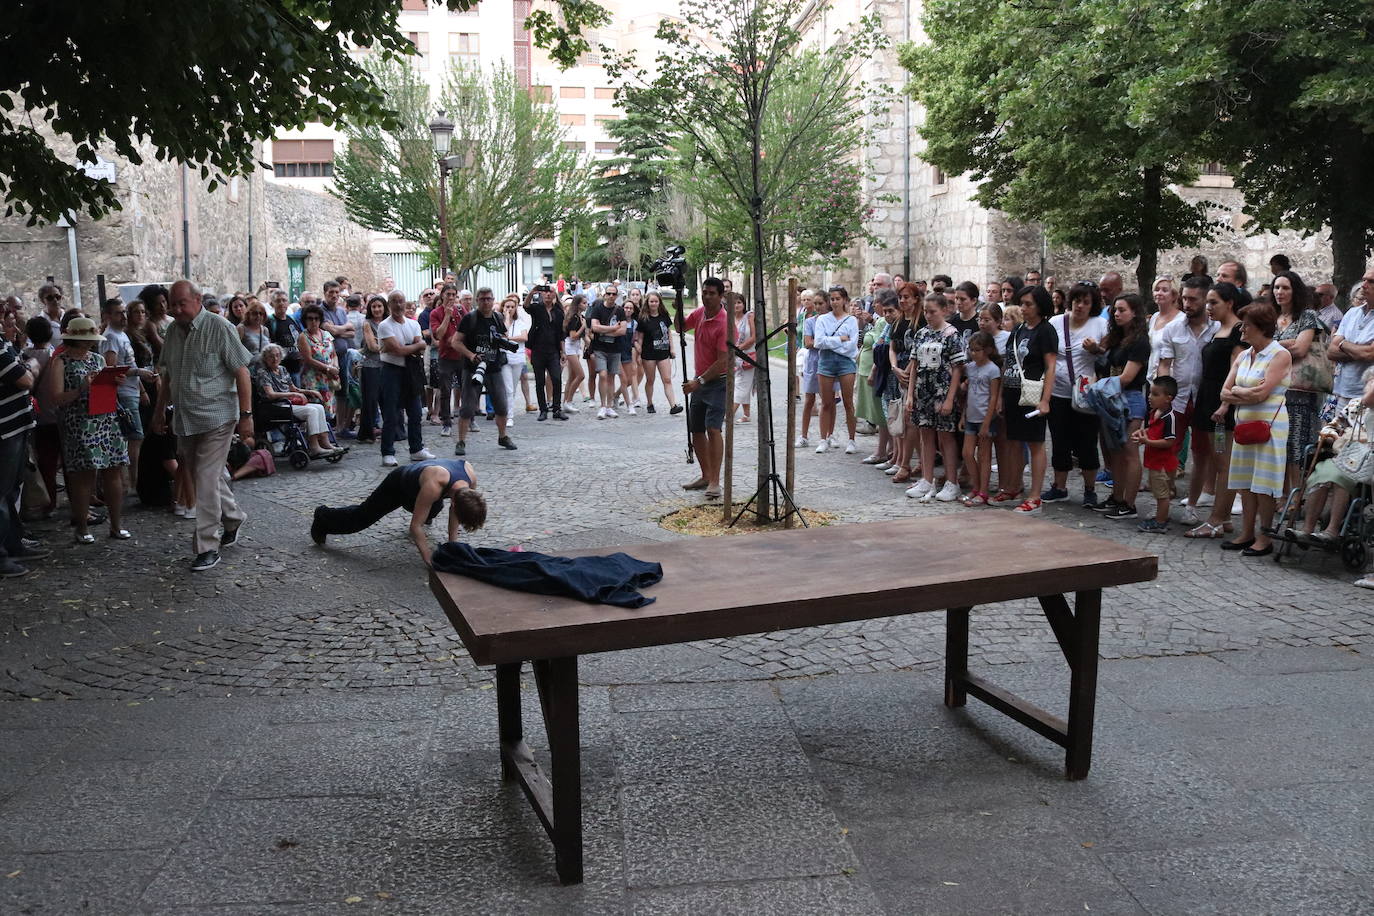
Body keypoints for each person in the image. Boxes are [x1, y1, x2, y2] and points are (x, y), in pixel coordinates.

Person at [152, 282, 253, 571]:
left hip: (218, 417)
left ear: (197, 300)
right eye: (173, 304)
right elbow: (168, 376)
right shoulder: (172, 331)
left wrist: (246, 416)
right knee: (205, 475)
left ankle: (207, 545)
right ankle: (233, 517)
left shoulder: (219, 327)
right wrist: (159, 412)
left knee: (206, 478)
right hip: (186, 418)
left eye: (181, 303)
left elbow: (242, 372)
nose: (176, 309)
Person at [311, 458, 486, 567]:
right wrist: (429, 558)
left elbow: (455, 511)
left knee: (433, 508)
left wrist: (452, 547)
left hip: (423, 487)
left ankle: (424, 509)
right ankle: (322, 516)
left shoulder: (470, 478)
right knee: (360, 518)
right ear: (454, 502)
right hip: (399, 485)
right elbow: (415, 526)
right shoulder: (434, 486)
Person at [46, 317, 131, 544]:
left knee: (113, 471)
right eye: (87, 339)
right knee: (84, 477)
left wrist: (115, 382)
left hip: (106, 419)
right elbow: (56, 398)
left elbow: (105, 389)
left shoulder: (98, 358)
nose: (91, 343)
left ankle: (116, 525)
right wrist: (81, 389)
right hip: (79, 424)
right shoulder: (60, 361)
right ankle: (82, 527)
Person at [1218, 301, 1292, 556]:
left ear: (1261, 328)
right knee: (1245, 482)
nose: (1241, 330)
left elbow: (1263, 394)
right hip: (1245, 425)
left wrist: (1240, 392)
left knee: (1264, 483)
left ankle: (1265, 536)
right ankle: (1246, 532)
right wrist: (1242, 392)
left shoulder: (1280, 354)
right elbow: (1224, 392)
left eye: (1246, 325)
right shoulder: (1243, 355)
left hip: (1270, 427)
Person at [1185, 281, 1249, 539]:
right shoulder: (1219, 330)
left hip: (1221, 409)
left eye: (1214, 303)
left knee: (1224, 463)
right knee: (1217, 460)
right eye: (1208, 302)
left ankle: (1217, 519)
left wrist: (1225, 405)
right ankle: (1222, 518)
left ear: (1230, 303)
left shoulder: (1236, 333)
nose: (1208, 307)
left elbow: (1237, 371)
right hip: (1209, 401)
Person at [1157, 275, 1219, 523]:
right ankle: (1164, 500)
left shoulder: (1217, 329)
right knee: (1168, 449)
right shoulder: (1172, 328)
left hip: (1206, 400)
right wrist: (1163, 398)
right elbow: (1164, 364)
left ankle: (1192, 505)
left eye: (1193, 299)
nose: (1187, 303)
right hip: (1178, 398)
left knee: (1202, 453)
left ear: (1206, 299)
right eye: (1184, 298)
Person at [1085, 293, 1150, 520]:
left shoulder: (1140, 341)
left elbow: (1127, 377)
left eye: (1122, 310)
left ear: (1135, 313)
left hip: (1129, 400)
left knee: (1130, 452)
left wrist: (1096, 387)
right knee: (1116, 453)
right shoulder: (1116, 337)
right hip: (1112, 399)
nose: (1117, 314)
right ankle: (1117, 497)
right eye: (1115, 310)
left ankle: (1129, 503)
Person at [1044, 282, 1108, 507]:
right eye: (1077, 301)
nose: (1080, 306)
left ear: (1093, 305)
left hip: (1085, 394)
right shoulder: (1056, 322)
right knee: (1059, 440)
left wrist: (1096, 350)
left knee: (1087, 442)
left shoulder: (1100, 324)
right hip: (1058, 392)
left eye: (1086, 302)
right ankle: (1059, 487)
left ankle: (1090, 490)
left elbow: (1109, 357)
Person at [996, 286, 1057, 514]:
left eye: (1029, 304)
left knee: (1035, 443)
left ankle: (1035, 496)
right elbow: (1009, 362)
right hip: (1013, 391)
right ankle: (1013, 486)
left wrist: (1045, 399)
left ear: (1040, 306)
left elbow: (1051, 366)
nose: (1023, 307)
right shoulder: (1019, 329)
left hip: (1032, 393)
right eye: (1022, 303)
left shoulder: (1046, 331)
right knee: (1012, 441)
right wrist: (1002, 395)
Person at [904, 292, 965, 500]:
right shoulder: (921, 334)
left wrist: (950, 398)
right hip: (923, 390)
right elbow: (914, 365)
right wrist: (910, 394)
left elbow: (958, 368)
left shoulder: (951, 334)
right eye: (926, 312)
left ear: (944, 311)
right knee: (925, 435)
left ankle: (951, 481)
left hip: (942, 390)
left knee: (945, 436)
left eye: (933, 312)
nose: (928, 316)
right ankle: (926, 480)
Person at [1272, 270, 1327, 493]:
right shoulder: (1270, 316)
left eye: (1285, 287)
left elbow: (1301, 348)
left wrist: (1273, 346)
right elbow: (1258, 346)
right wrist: (1287, 343)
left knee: (1297, 444)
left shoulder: (1307, 316)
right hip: (1275, 387)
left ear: (1295, 290)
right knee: (1280, 444)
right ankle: (1281, 495)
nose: (1279, 292)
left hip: (1300, 390)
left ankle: (1297, 496)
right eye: (1276, 287)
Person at [677, 277, 729, 500]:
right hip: (699, 381)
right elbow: (680, 327)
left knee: (713, 429)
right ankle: (706, 475)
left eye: (711, 293)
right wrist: (678, 306)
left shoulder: (724, 323)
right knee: (696, 429)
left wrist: (700, 381)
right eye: (704, 292)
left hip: (718, 382)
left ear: (720, 296)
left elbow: (723, 361)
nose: (707, 296)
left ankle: (716, 481)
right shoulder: (699, 313)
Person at [100, 298, 155, 493]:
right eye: (118, 313)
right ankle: (133, 481)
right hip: (123, 393)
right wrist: (139, 373)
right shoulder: (111, 337)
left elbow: (128, 364)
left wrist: (140, 389)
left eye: (124, 312)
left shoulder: (121, 335)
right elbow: (111, 368)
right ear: (108, 316)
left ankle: (133, 479)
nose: (123, 316)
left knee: (135, 436)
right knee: (134, 436)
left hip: (131, 390)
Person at [453, 288, 517, 455]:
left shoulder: (497, 317)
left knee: (501, 405)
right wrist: (471, 355)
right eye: (482, 299)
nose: (486, 302)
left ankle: (503, 436)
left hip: (494, 368)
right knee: (467, 407)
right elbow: (456, 342)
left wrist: (503, 342)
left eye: (489, 299)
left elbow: (503, 336)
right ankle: (461, 441)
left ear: (493, 299)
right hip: (472, 368)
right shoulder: (469, 319)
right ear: (477, 300)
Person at [376, 290, 434, 468]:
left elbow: (421, 347)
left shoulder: (413, 324)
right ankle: (388, 452)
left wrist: (411, 346)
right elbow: (399, 350)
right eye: (394, 302)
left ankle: (416, 449)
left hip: (411, 371)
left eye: (401, 301)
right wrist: (414, 346)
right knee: (392, 413)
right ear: (390, 305)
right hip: (391, 371)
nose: (398, 305)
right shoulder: (385, 326)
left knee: (415, 412)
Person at [0, 327, 41, 577]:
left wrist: (28, 366)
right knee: (1, 494)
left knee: (11, 490)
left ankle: (13, 543)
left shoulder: (3, 341)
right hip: (4, 431)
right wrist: (33, 364)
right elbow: (24, 379)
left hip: (15, 427)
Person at [254, 345, 343, 458]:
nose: (275, 359)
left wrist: (310, 392)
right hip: (276, 406)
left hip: (289, 403)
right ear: (265, 359)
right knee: (311, 411)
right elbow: (271, 395)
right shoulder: (263, 373)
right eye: (271, 357)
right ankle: (314, 447)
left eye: (277, 355)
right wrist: (293, 394)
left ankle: (325, 443)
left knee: (319, 407)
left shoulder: (282, 369)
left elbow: (294, 388)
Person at [813, 285, 861, 455]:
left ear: (844, 300)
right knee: (826, 402)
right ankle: (823, 438)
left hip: (845, 363)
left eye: (838, 299)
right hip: (825, 362)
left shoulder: (851, 321)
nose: (834, 302)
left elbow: (851, 346)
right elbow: (818, 342)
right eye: (832, 299)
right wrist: (839, 339)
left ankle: (851, 439)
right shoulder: (822, 320)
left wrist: (830, 342)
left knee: (848, 402)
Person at [959, 331, 1002, 507]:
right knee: (967, 453)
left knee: (984, 456)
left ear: (988, 350)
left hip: (985, 418)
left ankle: (983, 490)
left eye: (977, 350)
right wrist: (963, 415)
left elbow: (993, 397)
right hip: (971, 416)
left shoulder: (993, 370)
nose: (973, 353)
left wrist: (987, 422)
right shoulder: (970, 368)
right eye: (971, 350)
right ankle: (976, 487)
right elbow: (967, 393)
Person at [1135, 376, 1180, 532]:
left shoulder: (1169, 417)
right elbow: (1153, 431)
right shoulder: (1154, 412)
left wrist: (1147, 442)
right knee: (1159, 491)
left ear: (1168, 398)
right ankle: (1162, 514)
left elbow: (1169, 441)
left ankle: (1160, 522)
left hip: (1162, 463)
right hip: (1155, 461)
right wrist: (1142, 432)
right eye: (1150, 393)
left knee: (1162, 495)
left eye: (1154, 394)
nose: (1149, 397)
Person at [1328, 269, 1374, 409]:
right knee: (1334, 431)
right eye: (1364, 280)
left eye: (1371, 281)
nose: (1363, 285)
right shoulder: (1352, 313)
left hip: (1369, 398)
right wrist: (1359, 350)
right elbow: (1331, 351)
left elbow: (1369, 354)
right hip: (1343, 394)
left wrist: (1342, 344)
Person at [525, 286, 567, 421]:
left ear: (555, 294)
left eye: (551, 292)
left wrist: (563, 351)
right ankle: (543, 409)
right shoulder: (537, 308)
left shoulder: (559, 312)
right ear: (542, 294)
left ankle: (556, 408)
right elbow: (526, 306)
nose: (548, 294)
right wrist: (532, 292)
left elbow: (561, 334)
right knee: (539, 381)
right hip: (538, 349)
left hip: (553, 350)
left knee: (556, 378)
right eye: (545, 292)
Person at [588, 286, 627, 419]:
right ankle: (602, 406)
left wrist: (603, 329)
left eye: (613, 294)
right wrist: (612, 328)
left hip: (615, 349)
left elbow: (622, 330)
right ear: (605, 295)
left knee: (611, 377)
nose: (611, 296)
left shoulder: (620, 310)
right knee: (603, 375)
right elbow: (594, 327)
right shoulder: (598, 308)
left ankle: (609, 406)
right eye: (608, 293)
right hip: (600, 348)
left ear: (616, 296)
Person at [638, 291, 680, 415]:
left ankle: (673, 405)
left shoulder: (664, 315)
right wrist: (638, 353)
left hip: (663, 352)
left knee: (667, 379)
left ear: (659, 302)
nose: (654, 304)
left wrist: (672, 348)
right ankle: (650, 403)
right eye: (651, 301)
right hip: (649, 353)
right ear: (648, 302)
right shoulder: (643, 318)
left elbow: (668, 333)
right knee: (650, 379)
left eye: (656, 301)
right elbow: (639, 337)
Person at [431, 284, 465, 436]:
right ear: (442, 295)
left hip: (461, 355)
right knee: (445, 390)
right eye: (448, 294)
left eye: (453, 295)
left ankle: (468, 418)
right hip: (446, 357)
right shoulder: (435, 313)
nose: (451, 298)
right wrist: (447, 315)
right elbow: (438, 334)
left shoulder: (461, 310)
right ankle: (446, 422)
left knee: (466, 388)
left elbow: (468, 328)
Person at [296, 303, 339, 418]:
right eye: (310, 318)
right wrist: (328, 368)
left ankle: (325, 435)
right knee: (315, 413)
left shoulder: (326, 334)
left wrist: (335, 367)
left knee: (328, 413)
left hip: (328, 379)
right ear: (305, 320)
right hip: (312, 380)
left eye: (316, 318)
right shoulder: (303, 337)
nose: (313, 321)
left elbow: (333, 354)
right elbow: (308, 359)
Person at [357, 295, 387, 444]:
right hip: (371, 366)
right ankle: (367, 433)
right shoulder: (367, 323)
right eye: (374, 306)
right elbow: (372, 346)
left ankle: (391, 429)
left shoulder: (388, 322)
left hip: (387, 365)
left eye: (379, 306)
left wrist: (380, 342)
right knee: (370, 401)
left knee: (388, 399)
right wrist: (389, 344)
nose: (377, 309)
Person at [499, 295, 530, 427]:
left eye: (512, 307)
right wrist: (506, 318)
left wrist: (510, 338)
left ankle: (508, 410)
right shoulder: (500, 321)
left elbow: (524, 337)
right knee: (508, 388)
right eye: (507, 307)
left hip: (517, 358)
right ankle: (509, 416)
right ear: (503, 308)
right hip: (505, 358)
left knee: (513, 387)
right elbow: (502, 334)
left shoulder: (520, 322)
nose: (510, 309)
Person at [731, 294, 756, 423]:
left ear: (744, 304)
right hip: (735, 357)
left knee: (741, 386)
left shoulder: (749, 316)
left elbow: (753, 337)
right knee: (742, 384)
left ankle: (729, 414)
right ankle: (746, 415)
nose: (736, 305)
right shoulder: (730, 319)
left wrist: (739, 348)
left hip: (748, 356)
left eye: (739, 302)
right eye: (734, 303)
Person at [561, 295, 587, 414]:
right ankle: (568, 401)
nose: (586, 305)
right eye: (584, 303)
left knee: (572, 376)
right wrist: (583, 327)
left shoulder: (580, 317)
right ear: (578, 304)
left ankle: (565, 402)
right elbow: (573, 335)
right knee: (580, 375)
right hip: (570, 346)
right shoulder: (574, 318)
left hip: (576, 346)